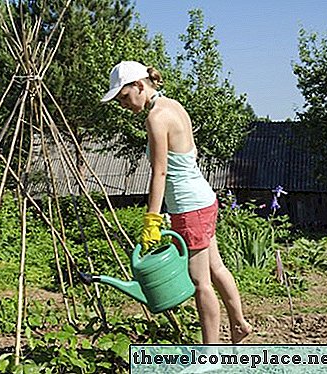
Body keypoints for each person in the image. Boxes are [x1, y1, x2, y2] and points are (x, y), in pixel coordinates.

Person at [101, 61, 251, 344]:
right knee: (216, 268)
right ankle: (239, 324)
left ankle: (211, 355)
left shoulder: (156, 118)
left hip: (188, 207)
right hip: (204, 199)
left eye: (124, 97)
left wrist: (152, 220)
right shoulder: (174, 105)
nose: (123, 104)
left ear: (139, 86)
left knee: (199, 283)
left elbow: (160, 171)